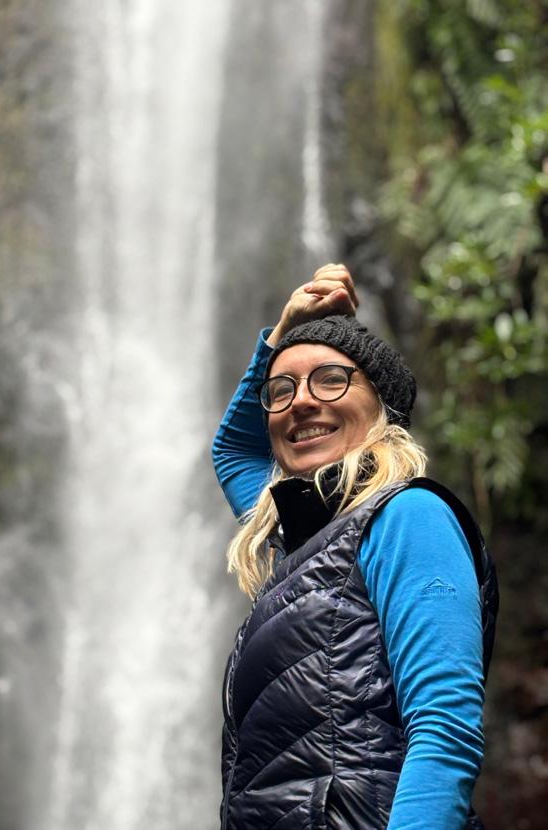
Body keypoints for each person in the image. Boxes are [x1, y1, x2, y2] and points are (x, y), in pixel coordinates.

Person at [213, 265, 498, 830]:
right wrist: (282, 332)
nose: (300, 402)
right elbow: (234, 452)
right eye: (282, 389)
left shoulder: (408, 518)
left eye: (330, 380)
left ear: (381, 407)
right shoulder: (299, 542)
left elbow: (444, 727)